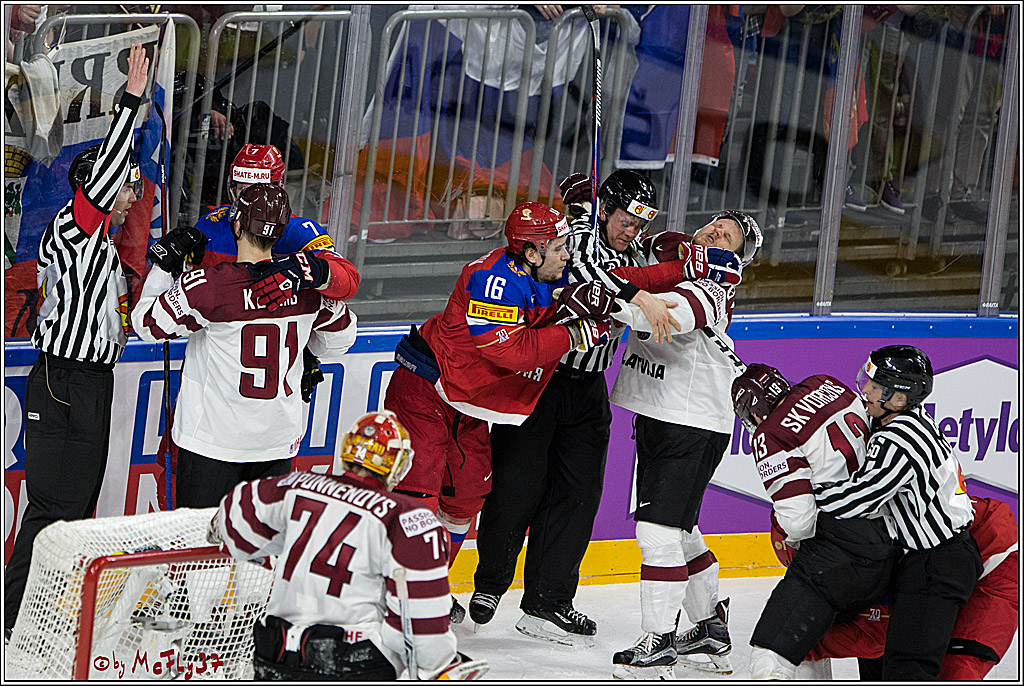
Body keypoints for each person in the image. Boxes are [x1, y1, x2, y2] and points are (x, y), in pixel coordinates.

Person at [470, 170, 744, 647]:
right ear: (604, 209)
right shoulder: (574, 238)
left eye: (640, 224)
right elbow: (581, 278)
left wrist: (705, 262)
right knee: (517, 486)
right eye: (625, 220)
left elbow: (661, 263)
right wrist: (635, 292)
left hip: (589, 389)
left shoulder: (637, 251)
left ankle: (548, 602)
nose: (632, 231)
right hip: (539, 380)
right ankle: (490, 584)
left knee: (577, 498)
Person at [383, 201, 616, 625]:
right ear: (531, 251)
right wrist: (574, 333)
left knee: (467, 496)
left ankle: (428, 585)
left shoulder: (544, 273)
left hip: (467, 402)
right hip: (425, 390)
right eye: (558, 247)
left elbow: (623, 281)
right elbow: (512, 353)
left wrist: (668, 278)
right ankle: (398, 594)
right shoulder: (493, 280)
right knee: (418, 496)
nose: (567, 255)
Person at [3, 43, 149, 639]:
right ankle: (12, 620)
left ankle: (49, 615)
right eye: (126, 182)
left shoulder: (99, 243)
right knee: (51, 511)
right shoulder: (73, 229)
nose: (134, 190)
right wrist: (129, 103)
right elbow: (109, 174)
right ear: (98, 188)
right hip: (66, 382)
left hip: (86, 384)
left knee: (76, 508)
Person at [209, 410, 487, 680]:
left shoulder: (296, 485)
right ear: (398, 465)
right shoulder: (408, 518)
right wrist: (441, 664)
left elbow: (229, 523)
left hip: (274, 652)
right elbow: (420, 627)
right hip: (350, 662)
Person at [131, 183, 357, 508]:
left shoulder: (208, 285)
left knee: (201, 538)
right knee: (256, 537)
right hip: (277, 443)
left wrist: (164, 268)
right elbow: (339, 342)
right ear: (281, 232)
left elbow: (147, 325)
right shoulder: (307, 290)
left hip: (212, 443)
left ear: (236, 225)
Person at [606, 210, 761, 678]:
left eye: (727, 236)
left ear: (735, 258)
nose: (716, 231)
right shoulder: (679, 260)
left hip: (689, 423)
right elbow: (643, 248)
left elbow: (658, 318)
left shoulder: (713, 285)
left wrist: (599, 294)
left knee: (657, 534)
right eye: (715, 224)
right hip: (667, 415)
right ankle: (710, 626)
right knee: (682, 530)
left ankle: (657, 643)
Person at [808, 345, 983, 679]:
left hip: (937, 564)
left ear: (900, 398)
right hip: (922, 560)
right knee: (877, 658)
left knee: (907, 668)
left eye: (875, 386)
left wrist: (803, 495)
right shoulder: (906, 420)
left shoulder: (899, 438)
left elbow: (858, 499)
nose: (865, 391)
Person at [729, 362, 902, 679]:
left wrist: (798, 543)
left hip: (848, 549)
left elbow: (798, 522)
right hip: (897, 530)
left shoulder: (770, 434)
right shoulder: (825, 382)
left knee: (778, 650)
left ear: (754, 413)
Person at [192, 142, 360, 401]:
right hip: (215, 367)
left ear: (278, 189)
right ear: (231, 187)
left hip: (273, 375)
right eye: (242, 190)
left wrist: (308, 269)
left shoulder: (299, 232)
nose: (249, 201)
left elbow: (348, 280)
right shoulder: (210, 225)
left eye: (259, 192)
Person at [791, 494, 1018, 680]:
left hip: (993, 560)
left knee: (950, 670)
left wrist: (797, 641)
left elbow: (884, 635)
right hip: (924, 563)